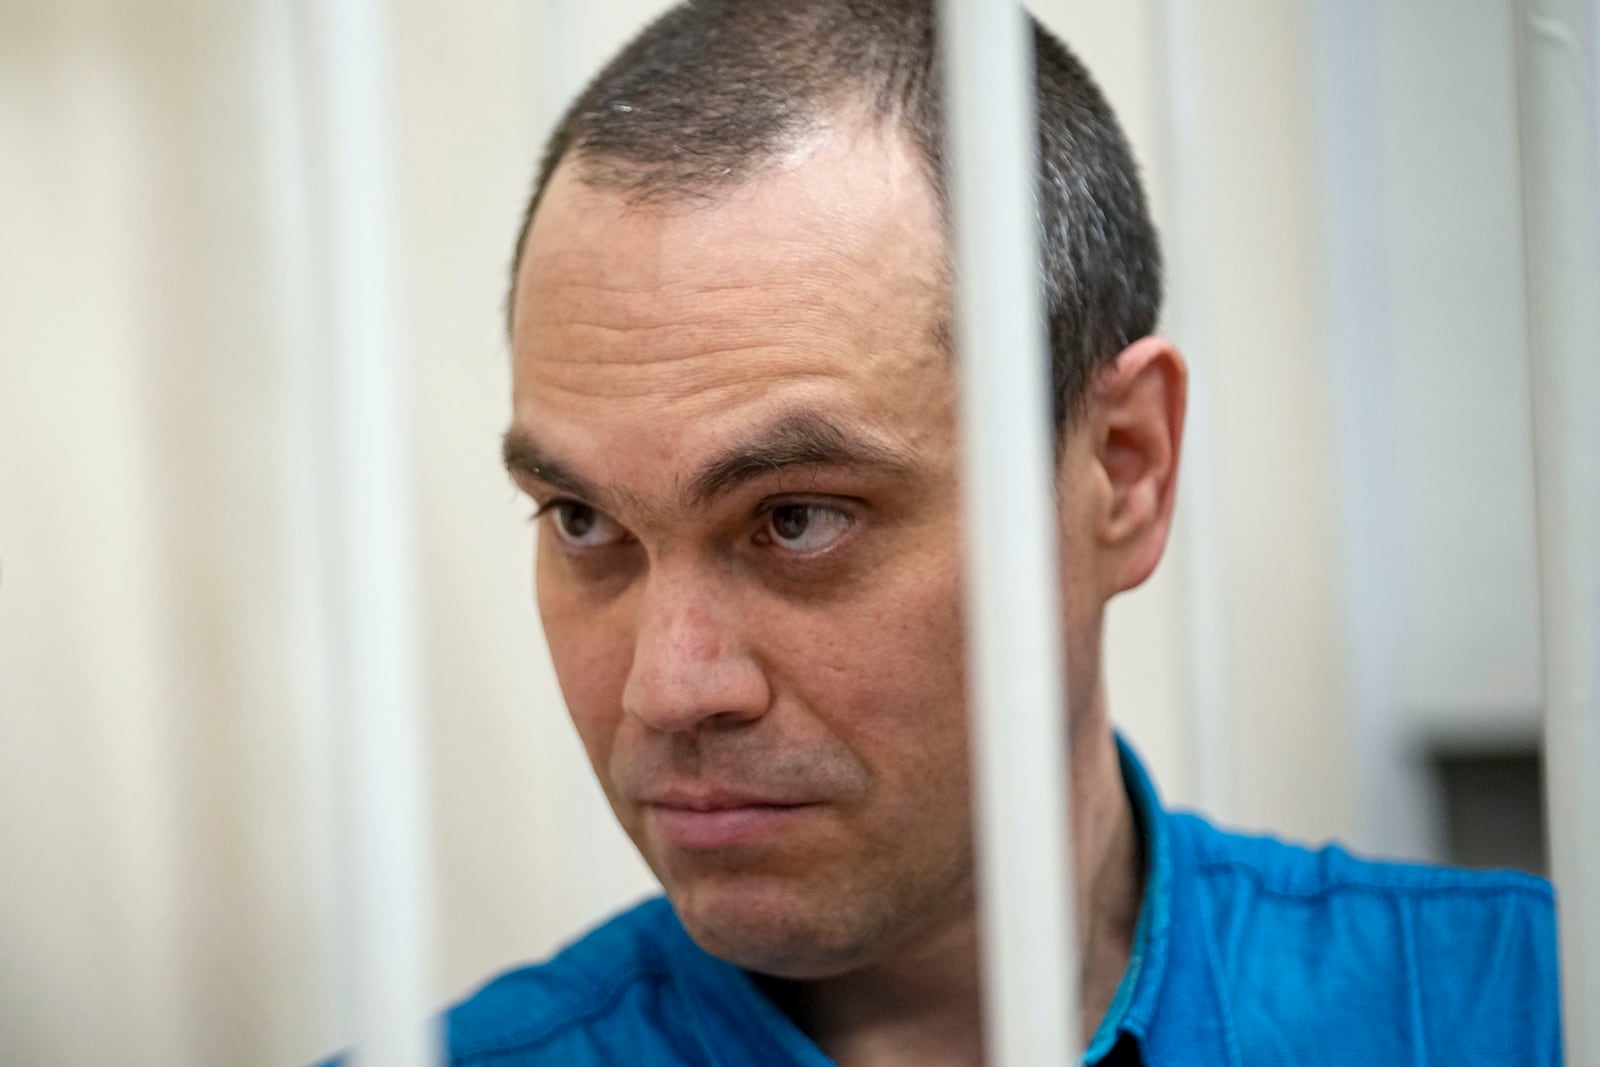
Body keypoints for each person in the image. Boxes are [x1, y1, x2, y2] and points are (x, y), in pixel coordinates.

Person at [450, 2, 1562, 1064]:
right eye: (582, 519)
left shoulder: (1530, 1012)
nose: (669, 686)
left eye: (796, 519)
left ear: (1121, 467)